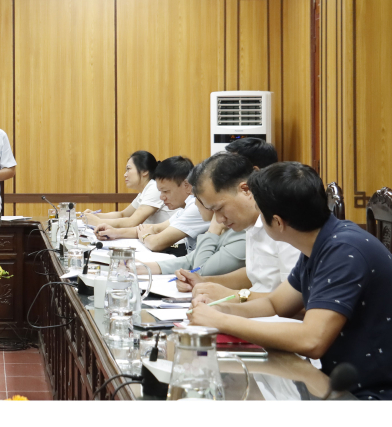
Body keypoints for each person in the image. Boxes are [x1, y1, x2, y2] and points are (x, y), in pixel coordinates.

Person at [188, 162, 392, 400]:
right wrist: (222, 309)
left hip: (369, 395)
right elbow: (276, 303)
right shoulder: (321, 243)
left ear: (277, 222)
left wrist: (221, 321)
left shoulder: (344, 251)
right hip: (339, 382)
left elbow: (311, 339)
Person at [176, 152, 301, 303]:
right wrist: (204, 281)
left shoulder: (283, 224)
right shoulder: (250, 221)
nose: (219, 220)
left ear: (246, 189)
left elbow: (298, 300)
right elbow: (256, 275)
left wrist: (234, 297)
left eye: (220, 208)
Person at [140, 162, 246, 275]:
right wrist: (143, 267)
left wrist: (212, 231)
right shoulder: (225, 226)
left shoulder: (239, 231)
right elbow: (190, 260)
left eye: (197, 197)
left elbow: (200, 272)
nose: (194, 202)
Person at [97, 156, 209, 255]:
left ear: (186, 185)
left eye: (165, 191)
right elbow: (155, 228)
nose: (162, 197)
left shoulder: (196, 207)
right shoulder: (186, 207)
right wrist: (115, 232)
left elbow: (156, 243)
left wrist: (145, 236)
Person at [82, 151, 175, 227]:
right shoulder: (145, 190)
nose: (125, 174)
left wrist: (98, 222)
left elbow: (132, 222)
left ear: (144, 171)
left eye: (128, 169)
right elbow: (122, 214)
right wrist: (96, 215)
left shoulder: (154, 188)